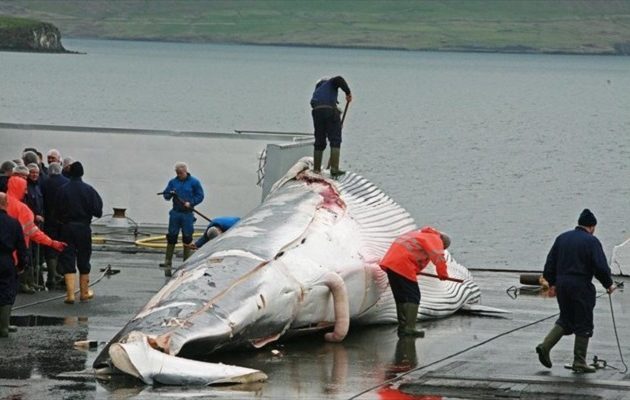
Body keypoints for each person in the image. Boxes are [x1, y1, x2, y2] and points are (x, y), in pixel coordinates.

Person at [536, 209, 615, 373]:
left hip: (563, 285)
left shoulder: (562, 238)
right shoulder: (592, 242)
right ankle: (579, 362)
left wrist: (551, 283)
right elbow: (600, 266)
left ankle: (545, 346)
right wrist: (608, 284)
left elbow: (550, 262)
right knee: (584, 322)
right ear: (592, 227)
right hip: (581, 286)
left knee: (566, 319)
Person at [379, 226, 450, 337]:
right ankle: (409, 328)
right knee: (413, 296)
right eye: (443, 247)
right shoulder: (435, 238)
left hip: (391, 265)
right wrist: (443, 274)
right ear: (443, 242)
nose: (442, 248)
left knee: (401, 296)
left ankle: (403, 328)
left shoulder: (417, 234)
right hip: (403, 266)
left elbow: (412, 253)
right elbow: (438, 257)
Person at [5, 176, 66, 294]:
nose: (26, 192)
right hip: (15, 253)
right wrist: (52, 243)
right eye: (24, 189)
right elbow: (34, 233)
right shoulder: (22, 209)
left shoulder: (3, 201)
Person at [55, 162, 103, 304]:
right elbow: (98, 212)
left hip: (67, 227)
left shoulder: (62, 190)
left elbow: (55, 211)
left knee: (68, 257)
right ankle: (84, 292)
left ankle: (70, 294)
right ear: (82, 173)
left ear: (70, 174)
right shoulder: (89, 190)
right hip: (83, 227)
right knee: (84, 257)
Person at [161, 162, 204, 277]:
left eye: (180, 173)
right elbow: (166, 196)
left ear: (185, 171)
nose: (179, 175)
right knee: (171, 236)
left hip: (187, 214)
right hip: (175, 213)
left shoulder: (194, 182)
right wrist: (169, 194)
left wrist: (191, 202)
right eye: (177, 173)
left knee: (187, 236)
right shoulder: (173, 182)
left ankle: (186, 261)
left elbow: (200, 196)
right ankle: (168, 261)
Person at [310, 76, 352, 177]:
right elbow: (339, 79)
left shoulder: (318, 91)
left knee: (319, 140)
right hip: (330, 111)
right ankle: (334, 169)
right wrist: (348, 93)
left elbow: (317, 104)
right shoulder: (331, 82)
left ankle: (316, 169)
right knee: (335, 139)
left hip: (316, 112)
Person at [0, 192, 29, 338]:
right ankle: (4, 326)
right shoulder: (13, 223)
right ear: (6, 204)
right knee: (6, 292)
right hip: (5, 260)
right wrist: (22, 264)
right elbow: (21, 246)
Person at [40, 162, 69, 290]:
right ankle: (62, 273)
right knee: (63, 246)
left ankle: (51, 276)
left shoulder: (44, 183)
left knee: (50, 247)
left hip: (48, 220)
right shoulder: (67, 182)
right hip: (63, 220)